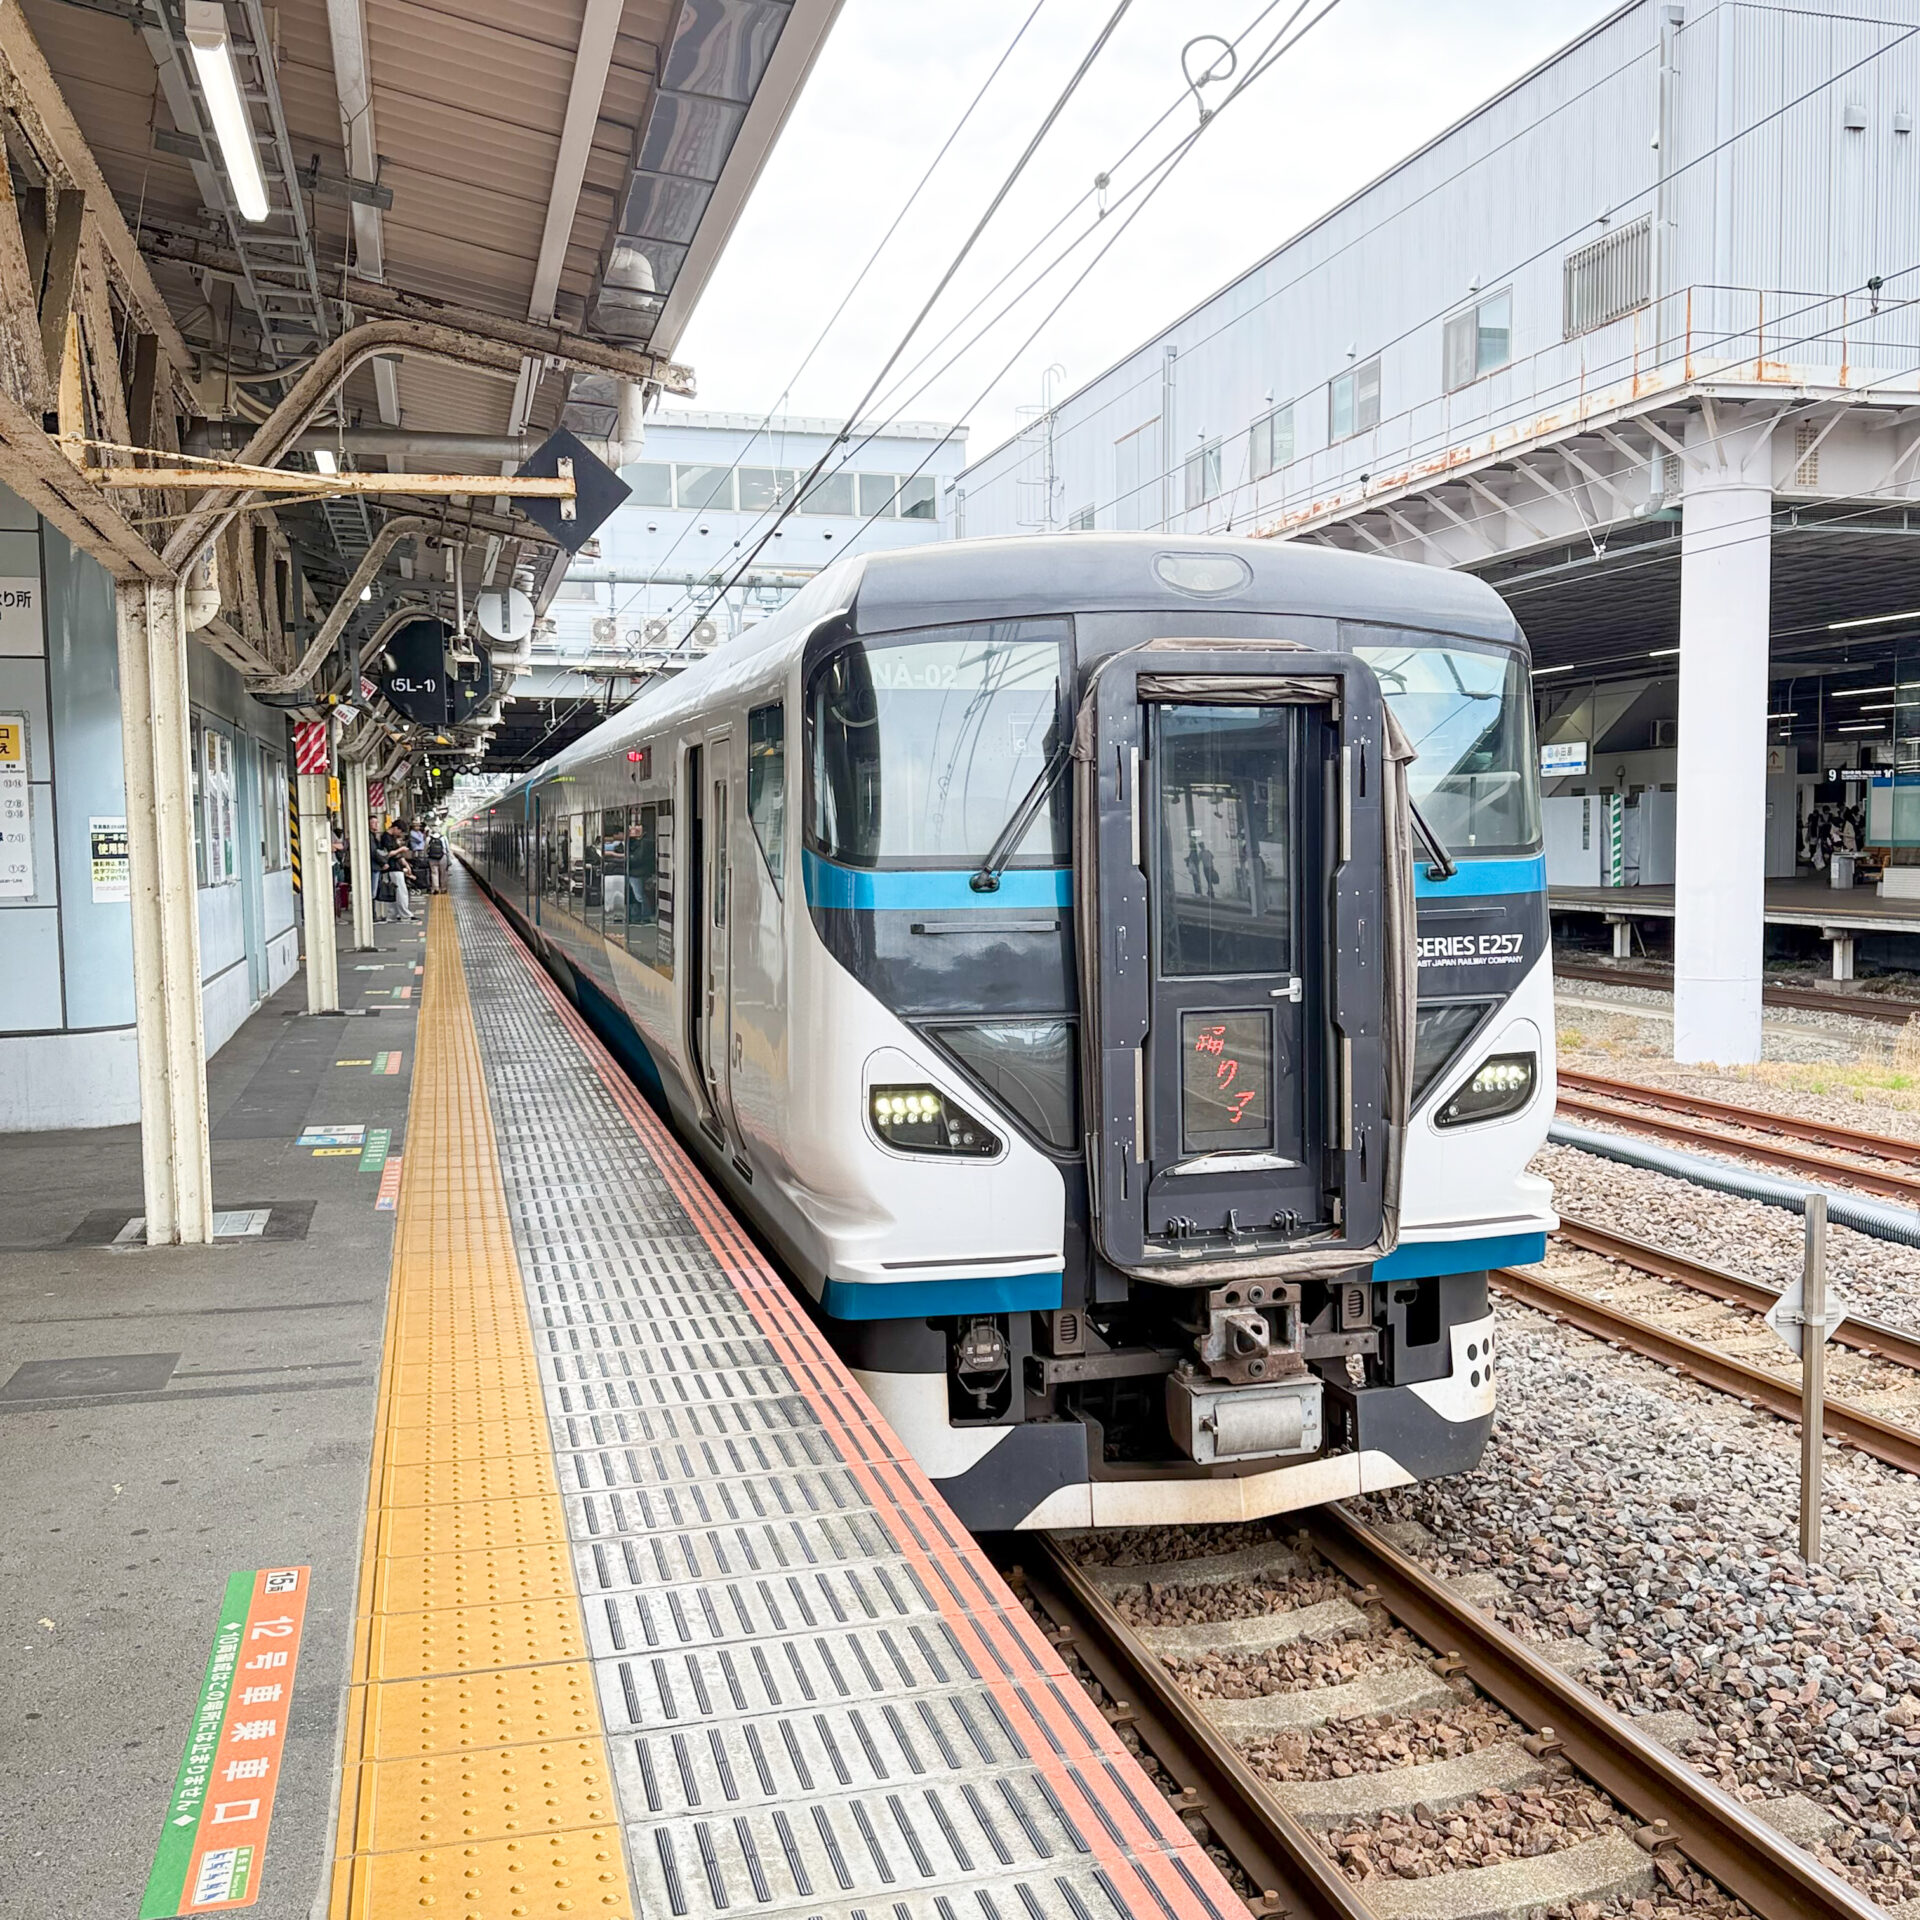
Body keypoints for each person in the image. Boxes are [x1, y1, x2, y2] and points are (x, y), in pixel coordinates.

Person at [425, 825, 448, 894]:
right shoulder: (444, 838)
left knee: (434, 873)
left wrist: (426, 855)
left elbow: (425, 848)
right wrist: (449, 858)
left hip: (432, 858)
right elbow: (447, 849)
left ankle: (436, 888)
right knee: (443, 873)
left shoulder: (428, 838)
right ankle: (443, 888)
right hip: (443, 857)